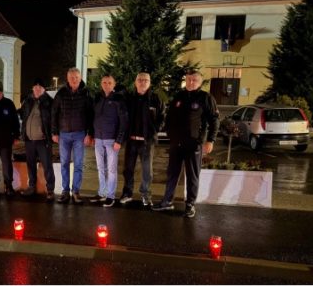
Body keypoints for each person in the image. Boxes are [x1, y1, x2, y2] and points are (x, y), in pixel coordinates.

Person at [152, 69, 219, 218]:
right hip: (176, 144)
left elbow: (214, 120)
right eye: (188, 79)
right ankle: (167, 201)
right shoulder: (179, 96)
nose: (191, 82)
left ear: (200, 82)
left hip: (194, 144)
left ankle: (190, 204)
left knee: (192, 176)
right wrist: (170, 134)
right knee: (172, 174)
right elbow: (169, 117)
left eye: (194, 80)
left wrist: (210, 140)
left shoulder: (206, 98)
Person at [120, 72, 164, 206]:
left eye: (146, 80)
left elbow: (162, 117)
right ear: (135, 82)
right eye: (140, 80)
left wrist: (154, 131)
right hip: (131, 140)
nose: (142, 82)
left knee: (147, 171)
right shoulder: (129, 98)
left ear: (150, 83)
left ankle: (145, 194)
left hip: (146, 142)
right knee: (128, 170)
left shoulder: (155, 99)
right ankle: (127, 193)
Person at [51, 68, 93, 204]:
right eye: (71, 77)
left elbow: (91, 114)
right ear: (67, 79)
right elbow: (54, 113)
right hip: (64, 134)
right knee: (64, 163)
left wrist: (89, 133)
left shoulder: (86, 93)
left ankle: (76, 191)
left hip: (80, 134)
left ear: (80, 78)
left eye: (76, 77)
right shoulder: (61, 93)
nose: (74, 79)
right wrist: (54, 132)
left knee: (78, 164)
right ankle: (65, 191)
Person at [90, 75, 128, 207]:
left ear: (114, 85)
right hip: (98, 139)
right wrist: (92, 135)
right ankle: (102, 193)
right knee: (101, 168)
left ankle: (110, 196)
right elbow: (93, 117)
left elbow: (124, 121)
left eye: (109, 83)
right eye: (104, 82)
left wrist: (119, 140)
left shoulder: (119, 99)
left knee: (111, 169)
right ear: (101, 84)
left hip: (112, 139)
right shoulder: (98, 98)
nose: (106, 85)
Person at [19, 79, 55, 200]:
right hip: (29, 140)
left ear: (44, 89)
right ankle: (31, 187)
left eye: (40, 87)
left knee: (47, 165)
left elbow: (54, 119)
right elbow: (22, 115)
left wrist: (53, 134)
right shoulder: (28, 100)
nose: (37, 89)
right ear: (33, 89)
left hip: (42, 140)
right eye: (35, 87)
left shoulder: (49, 102)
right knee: (31, 165)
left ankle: (50, 190)